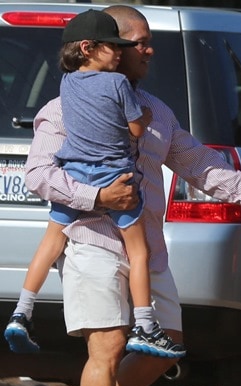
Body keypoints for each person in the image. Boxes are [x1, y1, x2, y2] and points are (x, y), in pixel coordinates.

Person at [23, 5, 241, 386]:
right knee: (108, 348)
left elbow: (202, 165)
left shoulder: (157, 112)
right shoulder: (61, 110)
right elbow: (37, 176)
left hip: (147, 250)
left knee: (162, 350)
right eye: (139, 42)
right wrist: (97, 198)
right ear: (106, 49)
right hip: (93, 242)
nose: (149, 49)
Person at [3, 9, 182, 359]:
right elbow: (134, 131)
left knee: (51, 243)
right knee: (139, 248)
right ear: (89, 47)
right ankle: (146, 325)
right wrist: (144, 118)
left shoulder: (66, 85)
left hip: (73, 173)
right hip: (113, 176)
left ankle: (21, 311)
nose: (119, 54)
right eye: (112, 47)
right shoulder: (117, 83)